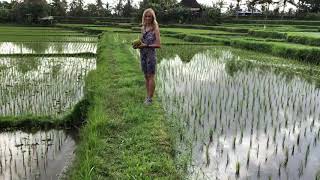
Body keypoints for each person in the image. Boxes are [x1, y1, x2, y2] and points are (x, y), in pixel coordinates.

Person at [137, 8, 161, 105]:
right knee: (146, 76)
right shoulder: (143, 28)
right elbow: (142, 41)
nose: (147, 18)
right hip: (143, 54)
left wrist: (145, 45)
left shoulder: (155, 29)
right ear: (143, 17)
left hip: (151, 56)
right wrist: (138, 45)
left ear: (153, 17)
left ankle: (150, 99)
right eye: (146, 16)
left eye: (149, 16)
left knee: (151, 76)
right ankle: (147, 96)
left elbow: (158, 44)